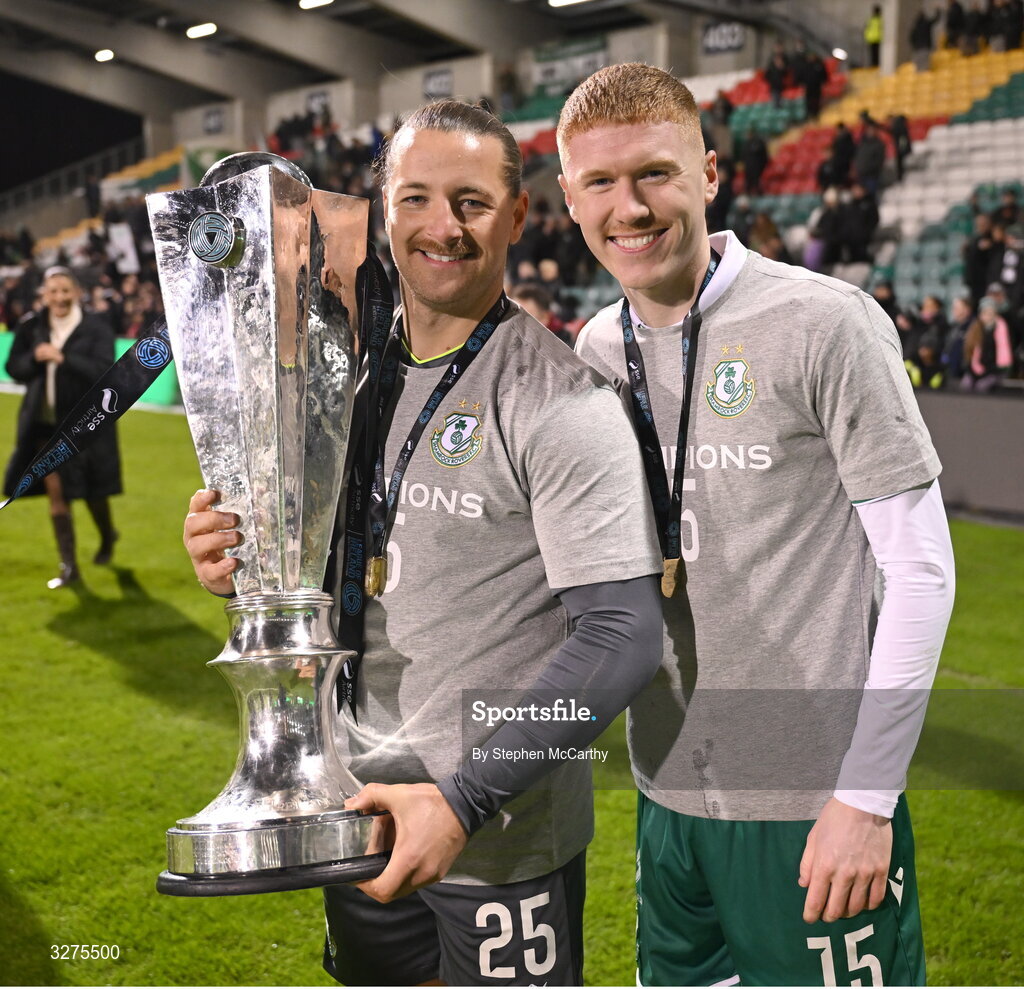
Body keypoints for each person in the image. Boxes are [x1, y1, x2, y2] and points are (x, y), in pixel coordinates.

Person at [183, 100, 663, 986]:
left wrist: (462, 797)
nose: (443, 227)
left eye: (472, 202)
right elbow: (350, 566)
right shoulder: (346, 379)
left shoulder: (561, 403)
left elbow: (624, 635)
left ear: (518, 216)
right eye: (416, 199)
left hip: (491, 838)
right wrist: (242, 564)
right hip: (355, 810)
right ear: (382, 212)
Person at [556, 63, 955, 986]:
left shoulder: (825, 323)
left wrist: (865, 795)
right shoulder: (595, 348)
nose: (632, 207)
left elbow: (922, 570)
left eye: (655, 173)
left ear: (708, 171)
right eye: (601, 184)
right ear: (571, 199)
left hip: (811, 798)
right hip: (669, 789)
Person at [3, 266, 121, 587]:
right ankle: (69, 567)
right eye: (53, 291)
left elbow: (104, 369)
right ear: (44, 294)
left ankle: (108, 535)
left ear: (77, 292)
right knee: (57, 494)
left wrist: (62, 358)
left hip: (85, 427)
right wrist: (34, 358)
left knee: (93, 492)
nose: (59, 297)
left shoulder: (96, 326)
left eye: (65, 290)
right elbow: (13, 367)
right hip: (44, 428)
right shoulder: (32, 326)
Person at [961, 295, 1013, 390]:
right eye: (985, 313)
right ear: (981, 314)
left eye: (991, 313)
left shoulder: (1001, 330)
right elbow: (969, 353)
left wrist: (986, 371)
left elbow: (1002, 360)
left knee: (982, 386)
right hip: (975, 369)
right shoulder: (974, 329)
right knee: (966, 384)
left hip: (994, 371)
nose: (988, 316)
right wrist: (973, 370)